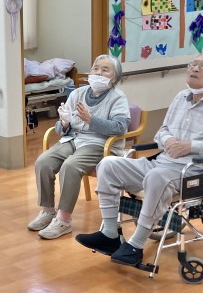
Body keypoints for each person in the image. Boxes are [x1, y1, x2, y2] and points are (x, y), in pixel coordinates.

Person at [76, 53, 203, 266]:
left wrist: (192, 146)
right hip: (162, 162)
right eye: (193, 64)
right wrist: (169, 140)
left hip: (197, 171)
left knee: (157, 176)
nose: (194, 69)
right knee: (108, 164)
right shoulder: (181, 97)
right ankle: (109, 234)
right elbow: (162, 131)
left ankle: (136, 245)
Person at [27, 55, 130, 239]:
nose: (98, 72)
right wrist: (64, 123)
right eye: (96, 68)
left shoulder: (118, 98)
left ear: (114, 77)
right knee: (43, 162)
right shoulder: (77, 94)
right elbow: (61, 129)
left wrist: (92, 120)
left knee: (70, 166)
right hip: (73, 139)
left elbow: (120, 127)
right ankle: (48, 211)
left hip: (100, 143)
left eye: (105, 70)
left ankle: (63, 220)